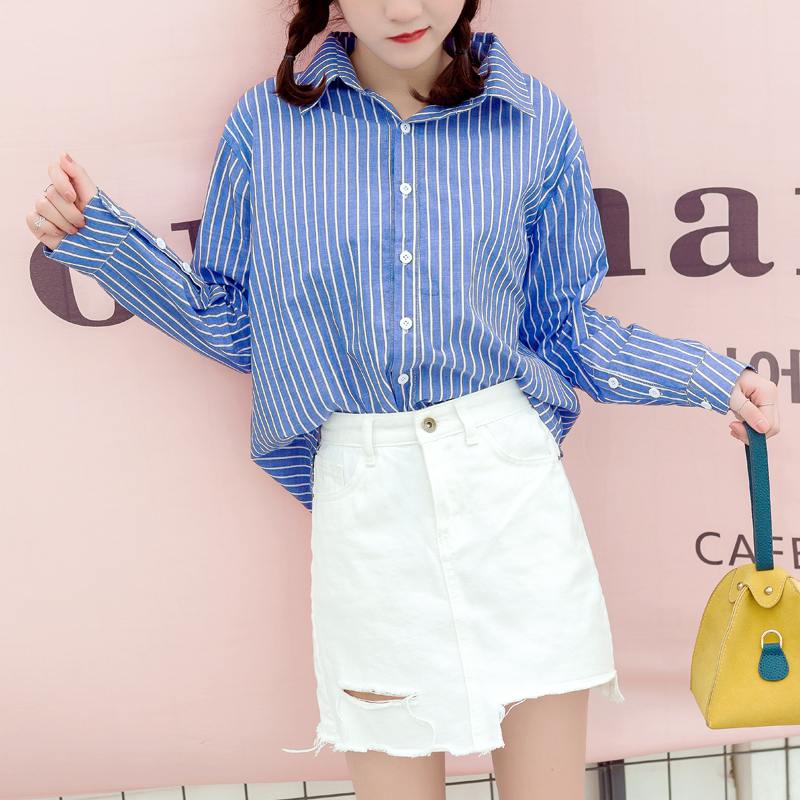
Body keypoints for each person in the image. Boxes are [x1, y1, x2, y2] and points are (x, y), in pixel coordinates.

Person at [26, 0, 780, 798]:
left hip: (511, 494)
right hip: (368, 502)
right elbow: (238, 322)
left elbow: (560, 329)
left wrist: (710, 378)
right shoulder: (268, 125)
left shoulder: (534, 122)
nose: (404, 8)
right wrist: (99, 240)